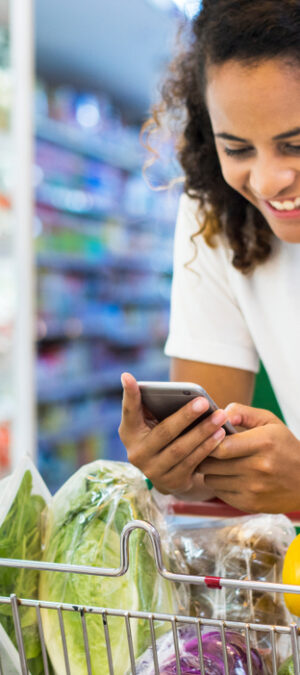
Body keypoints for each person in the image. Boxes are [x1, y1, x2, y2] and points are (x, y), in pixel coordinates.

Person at [119, 0, 300, 515]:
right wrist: (180, 465)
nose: (267, 181)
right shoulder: (218, 213)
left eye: (296, 144)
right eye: (237, 149)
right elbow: (207, 475)